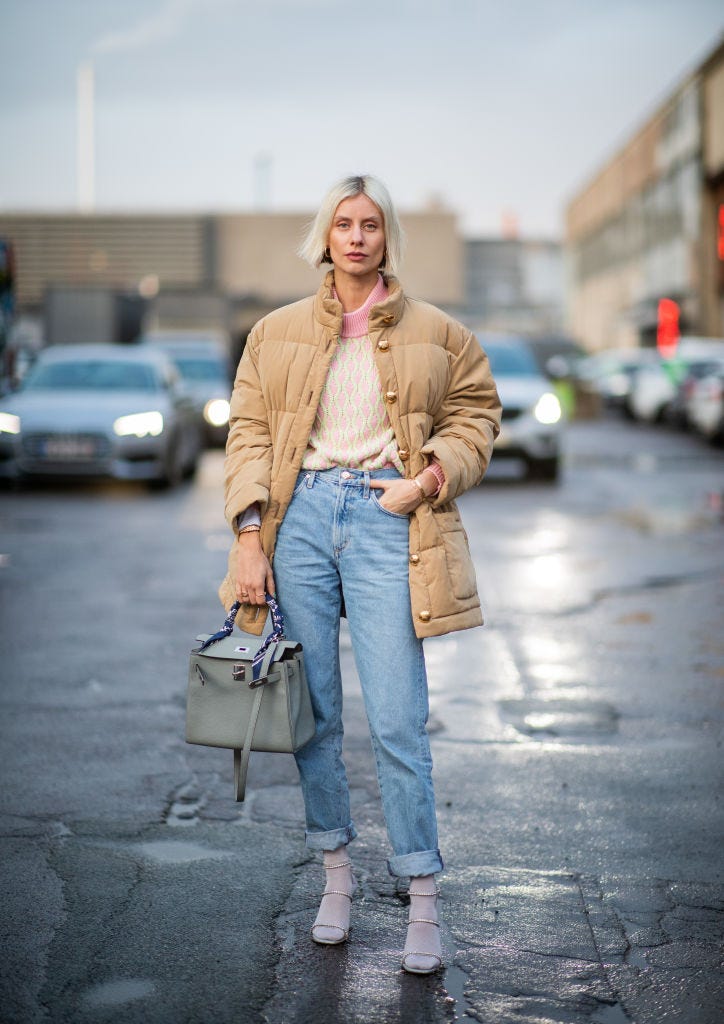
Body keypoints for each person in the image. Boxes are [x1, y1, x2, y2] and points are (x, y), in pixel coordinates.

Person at [220, 174, 501, 975]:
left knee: (398, 720)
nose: (355, 236)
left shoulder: (439, 331)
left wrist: (429, 479)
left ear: (386, 237)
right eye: (342, 224)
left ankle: (421, 898)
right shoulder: (273, 333)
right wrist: (249, 537)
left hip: (386, 517)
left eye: (369, 224)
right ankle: (335, 880)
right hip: (298, 521)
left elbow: (478, 412)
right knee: (310, 716)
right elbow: (246, 433)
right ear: (325, 235)